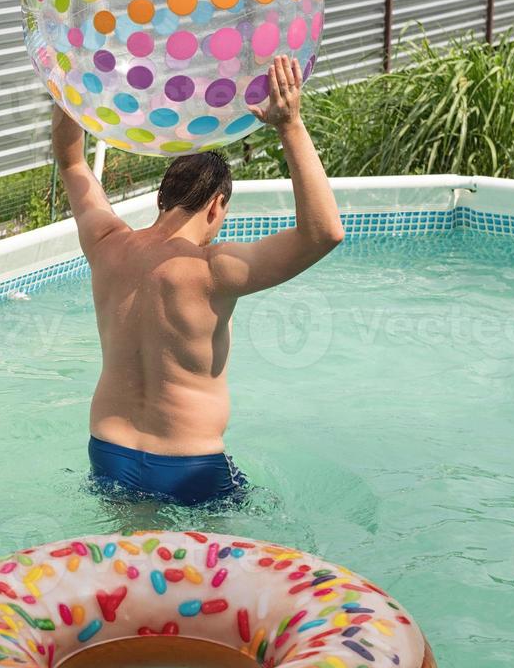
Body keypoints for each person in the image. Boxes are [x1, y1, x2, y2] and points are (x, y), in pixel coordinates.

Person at [53, 55, 344, 507]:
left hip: (109, 454)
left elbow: (72, 162)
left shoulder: (106, 244)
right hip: (190, 466)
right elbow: (324, 233)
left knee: (131, 568)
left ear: (160, 198)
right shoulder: (213, 269)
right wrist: (290, 127)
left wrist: (71, 87)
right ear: (216, 207)